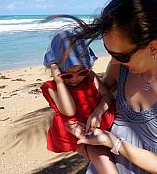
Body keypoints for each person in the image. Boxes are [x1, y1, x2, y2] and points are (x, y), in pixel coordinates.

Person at [49, 0, 157, 174]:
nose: (114, 61)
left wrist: (114, 143)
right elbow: (98, 96)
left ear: (153, 48)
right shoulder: (120, 67)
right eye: (110, 53)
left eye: (121, 56)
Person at [40, 29, 118, 174]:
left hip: (97, 119)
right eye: (67, 75)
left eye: (81, 72)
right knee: (100, 154)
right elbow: (69, 111)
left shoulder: (90, 76)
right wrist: (60, 82)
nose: (76, 78)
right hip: (76, 130)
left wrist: (98, 112)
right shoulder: (53, 87)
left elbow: (107, 96)